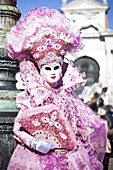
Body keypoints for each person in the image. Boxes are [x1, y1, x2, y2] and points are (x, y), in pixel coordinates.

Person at [6, 7, 107, 170]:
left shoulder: (69, 95)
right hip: (38, 158)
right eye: (47, 68)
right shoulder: (32, 95)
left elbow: (79, 125)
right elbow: (18, 128)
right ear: (39, 70)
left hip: (73, 156)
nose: (53, 72)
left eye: (56, 67)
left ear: (63, 67)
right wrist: (35, 142)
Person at [97, 98, 113, 170]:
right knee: (105, 161)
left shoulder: (99, 120)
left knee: (102, 161)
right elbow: (108, 132)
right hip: (105, 144)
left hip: (100, 144)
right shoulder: (105, 120)